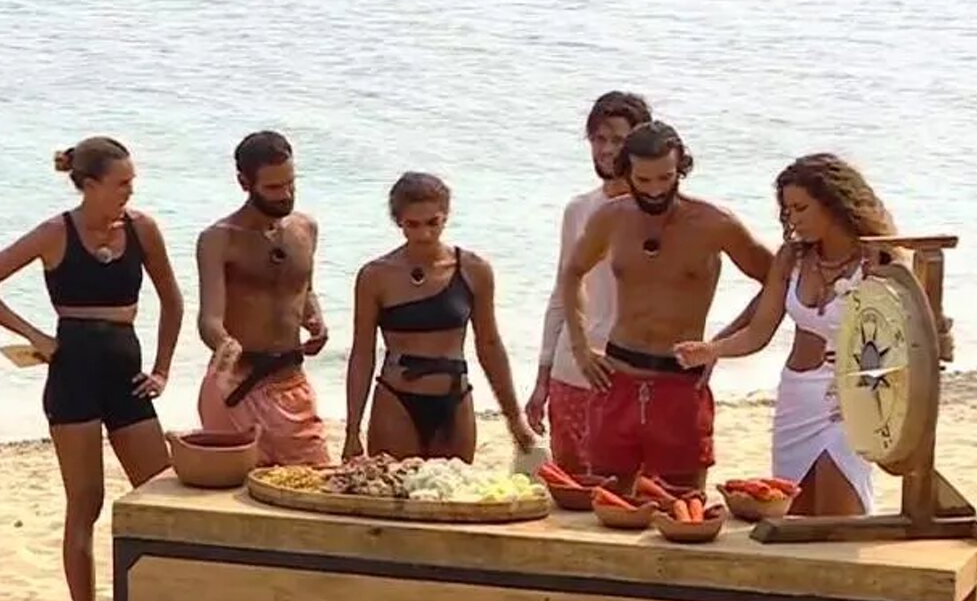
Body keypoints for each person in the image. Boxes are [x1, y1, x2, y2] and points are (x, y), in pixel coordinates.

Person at [0, 137, 184, 601]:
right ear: (90, 184)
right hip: (72, 375)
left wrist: (162, 369)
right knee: (86, 504)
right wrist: (34, 334)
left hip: (127, 375)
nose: (130, 192)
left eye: (132, 182)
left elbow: (172, 300)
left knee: (158, 496)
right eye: (122, 183)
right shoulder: (56, 232)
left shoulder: (143, 229)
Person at [674, 154, 898, 515]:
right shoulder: (790, 258)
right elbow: (758, 332)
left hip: (848, 403)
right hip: (796, 400)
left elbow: (908, 336)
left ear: (833, 203)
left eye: (801, 208)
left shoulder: (878, 261)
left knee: (840, 520)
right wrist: (711, 350)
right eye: (787, 210)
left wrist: (870, 383)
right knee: (794, 518)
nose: (792, 219)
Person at [558, 120, 774, 490]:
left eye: (666, 178)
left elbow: (775, 281)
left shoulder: (714, 223)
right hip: (617, 377)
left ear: (681, 169)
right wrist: (580, 346)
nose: (655, 190)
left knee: (683, 501)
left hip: (681, 381)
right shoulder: (611, 217)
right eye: (643, 180)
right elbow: (572, 272)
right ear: (626, 172)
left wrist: (719, 346)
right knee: (608, 501)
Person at [341, 173, 535, 461]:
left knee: (454, 485)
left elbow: (490, 345)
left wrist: (514, 418)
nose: (424, 234)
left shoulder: (474, 270)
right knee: (394, 485)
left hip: (455, 399)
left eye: (433, 223)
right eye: (413, 225)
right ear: (398, 222)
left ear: (446, 216)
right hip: (396, 400)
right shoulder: (375, 276)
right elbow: (362, 354)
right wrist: (352, 429)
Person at [524, 91, 652, 472]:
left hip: (635, 375)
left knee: (637, 492)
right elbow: (561, 296)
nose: (606, 149)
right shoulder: (579, 209)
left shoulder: (663, 214)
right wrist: (542, 379)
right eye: (599, 138)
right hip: (572, 373)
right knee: (573, 494)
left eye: (618, 139)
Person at [195, 131, 330, 466]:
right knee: (236, 489)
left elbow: (303, 289)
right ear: (244, 182)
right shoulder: (219, 239)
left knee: (316, 481)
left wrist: (316, 320)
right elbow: (209, 318)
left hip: (291, 381)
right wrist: (224, 343)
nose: (285, 195)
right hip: (238, 383)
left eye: (291, 183)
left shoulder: (305, 229)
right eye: (273, 187)